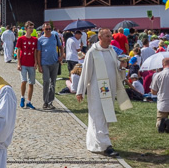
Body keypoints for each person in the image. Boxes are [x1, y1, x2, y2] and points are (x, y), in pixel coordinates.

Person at [76, 28, 131, 156]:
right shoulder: (92, 52)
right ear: (100, 37)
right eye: (107, 36)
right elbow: (86, 72)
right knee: (98, 117)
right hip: (96, 90)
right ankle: (106, 146)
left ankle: (94, 144)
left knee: (104, 117)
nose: (110, 38)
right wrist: (80, 91)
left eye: (110, 36)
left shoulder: (112, 51)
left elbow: (117, 68)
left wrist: (122, 66)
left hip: (109, 90)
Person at [36, 23, 63, 110]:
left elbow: (61, 47)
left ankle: (50, 101)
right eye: (46, 29)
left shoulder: (55, 37)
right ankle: (45, 101)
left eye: (49, 29)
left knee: (53, 83)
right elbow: (38, 53)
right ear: (43, 29)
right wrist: (39, 65)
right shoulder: (40, 40)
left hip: (55, 63)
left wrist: (61, 56)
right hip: (45, 63)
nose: (48, 30)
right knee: (46, 81)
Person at [16, 21, 38, 109]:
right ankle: (22, 97)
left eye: (32, 28)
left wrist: (36, 62)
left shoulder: (35, 39)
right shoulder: (21, 39)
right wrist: (18, 63)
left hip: (31, 63)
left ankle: (29, 101)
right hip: (23, 63)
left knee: (31, 83)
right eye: (30, 28)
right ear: (26, 28)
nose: (31, 29)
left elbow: (35, 52)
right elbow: (18, 51)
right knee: (24, 81)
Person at [151, 58, 169, 133]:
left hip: (163, 102)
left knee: (159, 122)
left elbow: (153, 92)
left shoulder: (158, 75)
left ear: (163, 65)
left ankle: (163, 123)